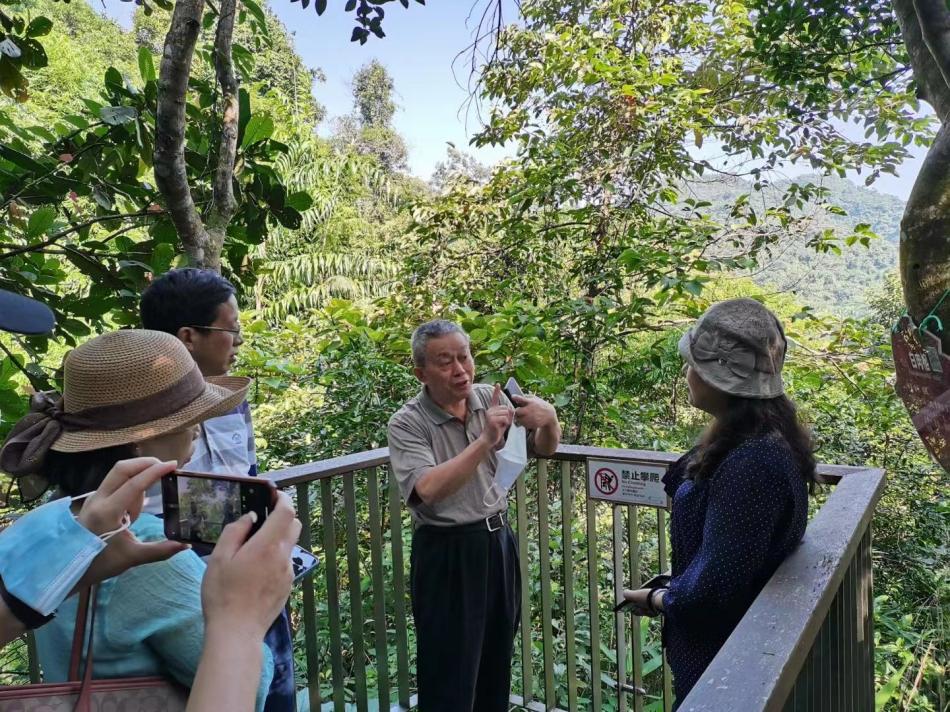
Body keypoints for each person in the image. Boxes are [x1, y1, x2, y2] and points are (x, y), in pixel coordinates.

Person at [0, 329, 276, 711]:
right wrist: (254, 600)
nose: (197, 428)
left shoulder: (53, 516)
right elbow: (253, 683)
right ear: (139, 442)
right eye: (185, 420)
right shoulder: (146, 550)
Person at [621, 298, 816, 707]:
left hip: (727, 666)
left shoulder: (753, 464)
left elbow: (715, 589)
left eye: (693, 364)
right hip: (729, 652)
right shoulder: (752, 440)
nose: (686, 372)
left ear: (719, 379)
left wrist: (658, 599)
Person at [140, 268, 296, 712]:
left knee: (276, 689)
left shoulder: (234, 398)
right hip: (184, 594)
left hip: (253, 577)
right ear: (189, 336)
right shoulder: (133, 415)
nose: (239, 342)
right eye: (232, 330)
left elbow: (246, 470)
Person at [387, 319, 562, 712]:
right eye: (445, 361)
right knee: (449, 667)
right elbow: (426, 490)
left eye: (464, 356)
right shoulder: (408, 422)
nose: (460, 369)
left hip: (497, 541)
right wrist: (485, 440)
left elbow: (546, 448)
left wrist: (548, 418)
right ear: (421, 372)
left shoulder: (491, 397)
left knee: (496, 660)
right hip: (446, 552)